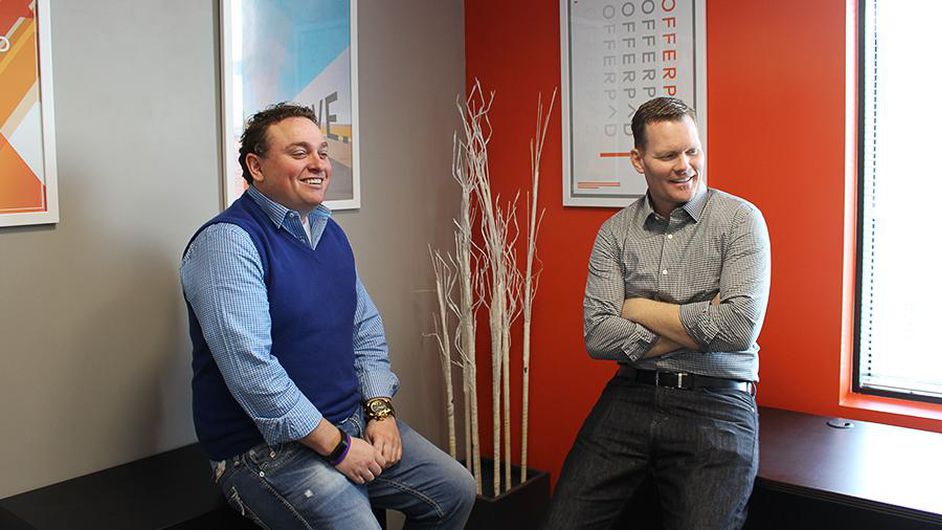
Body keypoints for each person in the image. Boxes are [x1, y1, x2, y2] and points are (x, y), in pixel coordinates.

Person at [180, 103, 475, 529]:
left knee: (455, 489)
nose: (318, 164)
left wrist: (380, 411)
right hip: (266, 452)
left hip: (349, 421)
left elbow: (364, 327)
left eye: (322, 151)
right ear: (256, 166)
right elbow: (252, 372)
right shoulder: (228, 242)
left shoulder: (326, 231)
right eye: (299, 152)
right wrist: (337, 447)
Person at [544, 96, 771, 529]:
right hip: (631, 395)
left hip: (717, 402)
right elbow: (598, 336)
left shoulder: (740, 221)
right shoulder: (614, 233)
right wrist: (702, 321)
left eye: (692, 151)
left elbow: (738, 328)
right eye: (668, 156)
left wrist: (638, 308)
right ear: (638, 160)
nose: (685, 166)